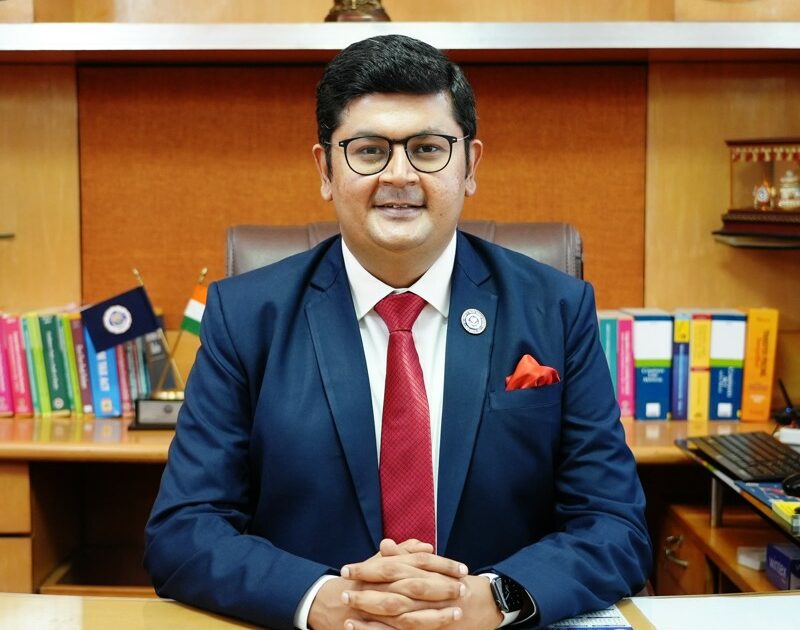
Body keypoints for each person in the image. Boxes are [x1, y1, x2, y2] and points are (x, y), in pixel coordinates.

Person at [144, 34, 652, 630]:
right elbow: (185, 528)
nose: (400, 175)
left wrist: (493, 599)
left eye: (428, 149)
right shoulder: (246, 316)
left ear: (470, 166)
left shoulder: (556, 308)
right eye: (369, 151)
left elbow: (614, 524)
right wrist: (326, 600)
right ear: (325, 169)